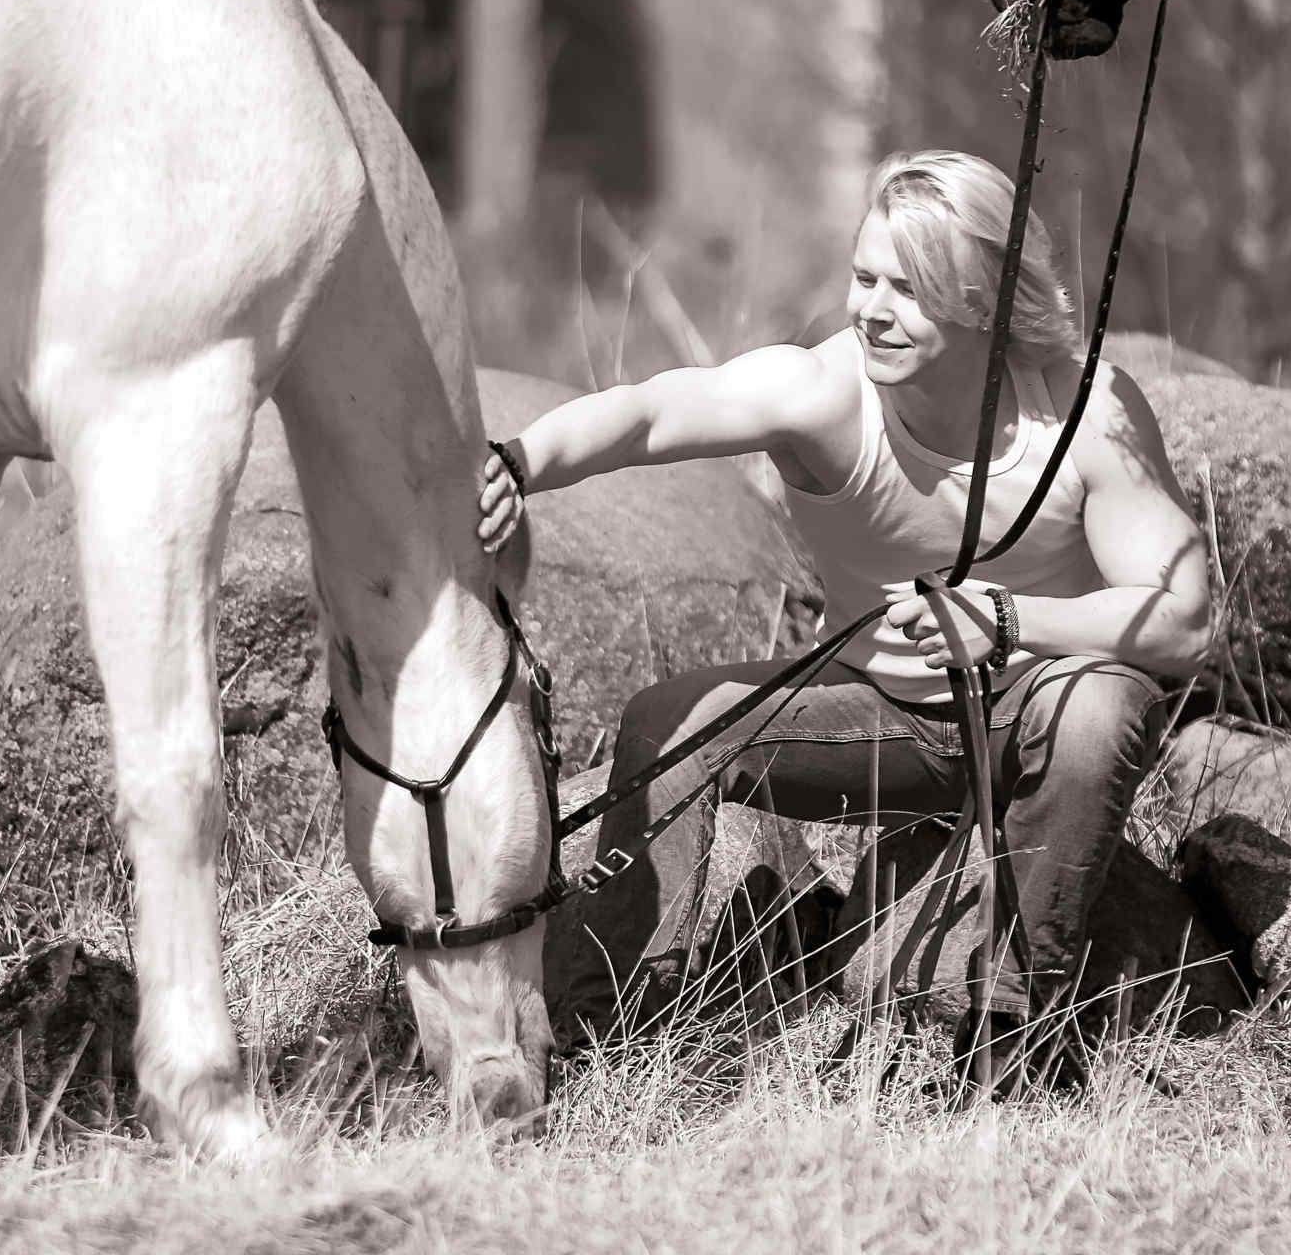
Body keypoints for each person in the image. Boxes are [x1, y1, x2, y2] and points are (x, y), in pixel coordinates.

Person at [475, 149, 1212, 1076]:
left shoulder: (1089, 413)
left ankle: (1016, 1030)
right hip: (881, 721)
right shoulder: (827, 392)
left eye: (909, 288)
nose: (871, 308)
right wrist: (519, 458)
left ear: (984, 300)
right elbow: (654, 413)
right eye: (865, 277)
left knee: (1098, 703)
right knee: (669, 725)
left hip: (1041, 719)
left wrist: (1013, 624)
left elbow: (1183, 619)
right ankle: (604, 1031)